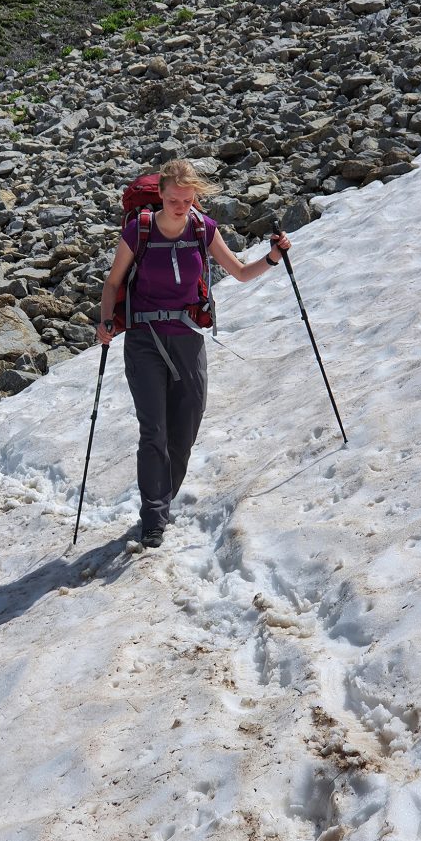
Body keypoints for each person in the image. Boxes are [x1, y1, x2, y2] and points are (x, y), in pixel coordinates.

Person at [96, 159, 291, 549]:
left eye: (187, 200)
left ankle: (162, 500)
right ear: (161, 196)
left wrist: (272, 258)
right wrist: (105, 322)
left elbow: (238, 271)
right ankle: (153, 516)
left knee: (184, 429)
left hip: (187, 337)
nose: (180, 206)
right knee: (154, 429)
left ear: (195, 198)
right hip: (144, 338)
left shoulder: (204, 229)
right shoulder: (141, 230)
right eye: (172, 199)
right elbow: (113, 281)